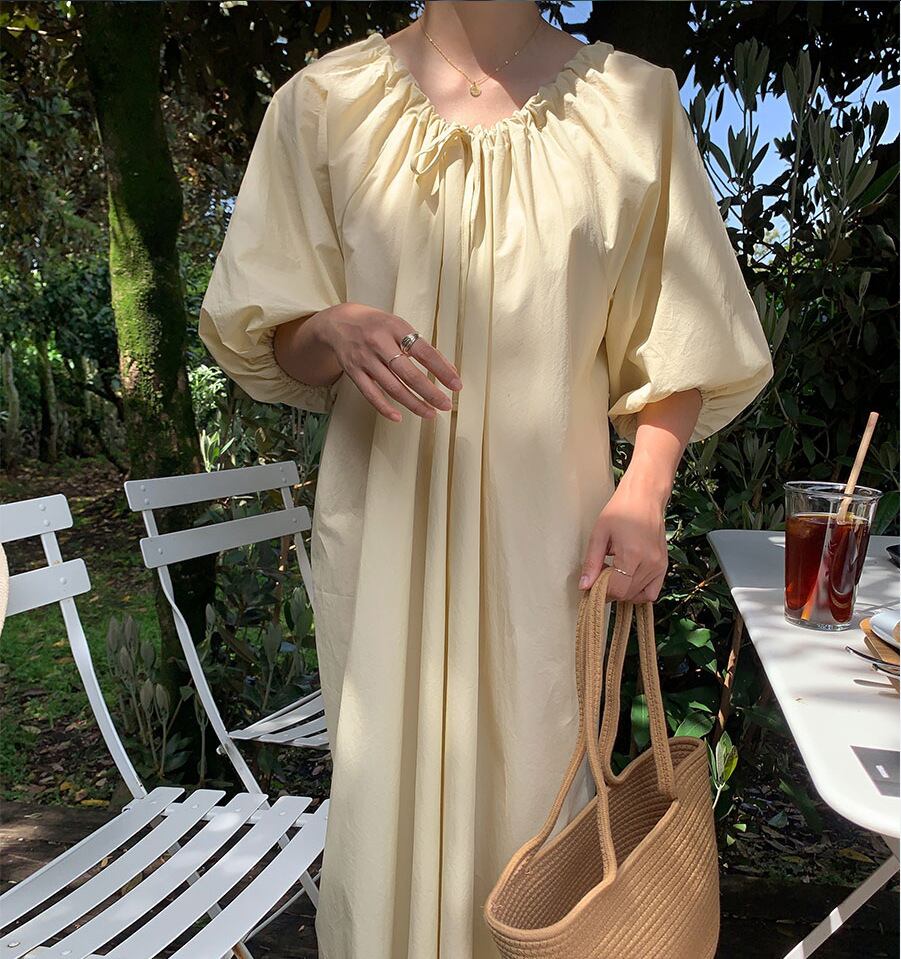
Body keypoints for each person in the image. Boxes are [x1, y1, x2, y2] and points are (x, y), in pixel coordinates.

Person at [198, 3, 774, 957]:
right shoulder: (324, 104)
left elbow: (682, 338)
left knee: (535, 808)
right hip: (385, 539)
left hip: (546, 549)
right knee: (386, 808)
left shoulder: (631, 108)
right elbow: (277, 339)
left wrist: (642, 492)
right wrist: (329, 328)